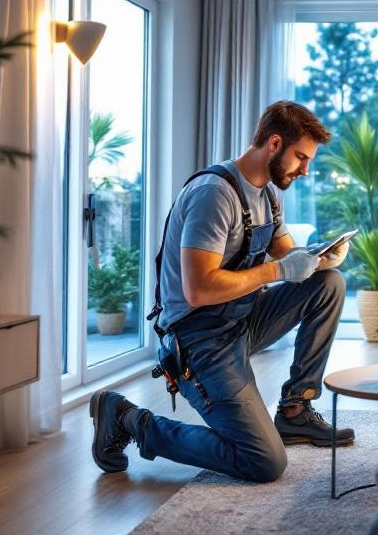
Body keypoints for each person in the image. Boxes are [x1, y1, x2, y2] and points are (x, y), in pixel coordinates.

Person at [89, 101, 353, 483]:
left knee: (328, 285)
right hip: (199, 338)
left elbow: (286, 253)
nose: (305, 170)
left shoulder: (267, 195)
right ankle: (129, 419)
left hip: (242, 318)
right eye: (300, 157)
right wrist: (280, 270)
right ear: (274, 144)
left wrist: (322, 258)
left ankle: (295, 411)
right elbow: (198, 289)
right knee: (263, 461)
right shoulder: (215, 194)